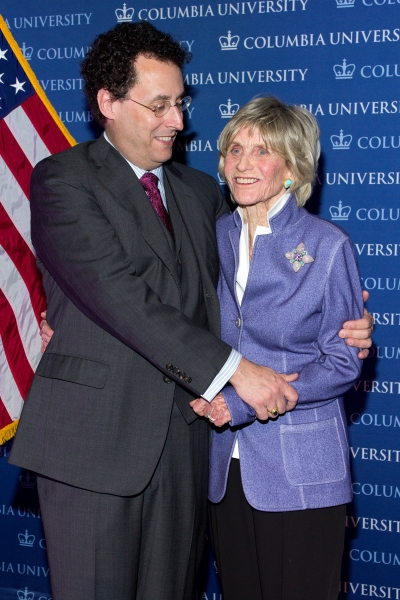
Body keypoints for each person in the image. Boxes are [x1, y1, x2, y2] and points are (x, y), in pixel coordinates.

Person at [9, 21, 372, 600]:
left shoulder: (201, 194)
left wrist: (345, 318)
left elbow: (242, 296)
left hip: (187, 449)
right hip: (96, 448)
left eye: (180, 103)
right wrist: (238, 372)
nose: (178, 121)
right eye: (159, 105)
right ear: (108, 103)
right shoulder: (63, 179)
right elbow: (121, 298)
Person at [191, 96, 365, 600]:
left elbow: (341, 361)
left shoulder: (326, 245)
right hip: (224, 470)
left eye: (262, 151)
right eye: (234, 149)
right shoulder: (213, 235)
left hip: (303, 472)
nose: (243, 163)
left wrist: (244, 402)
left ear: (293, 168)